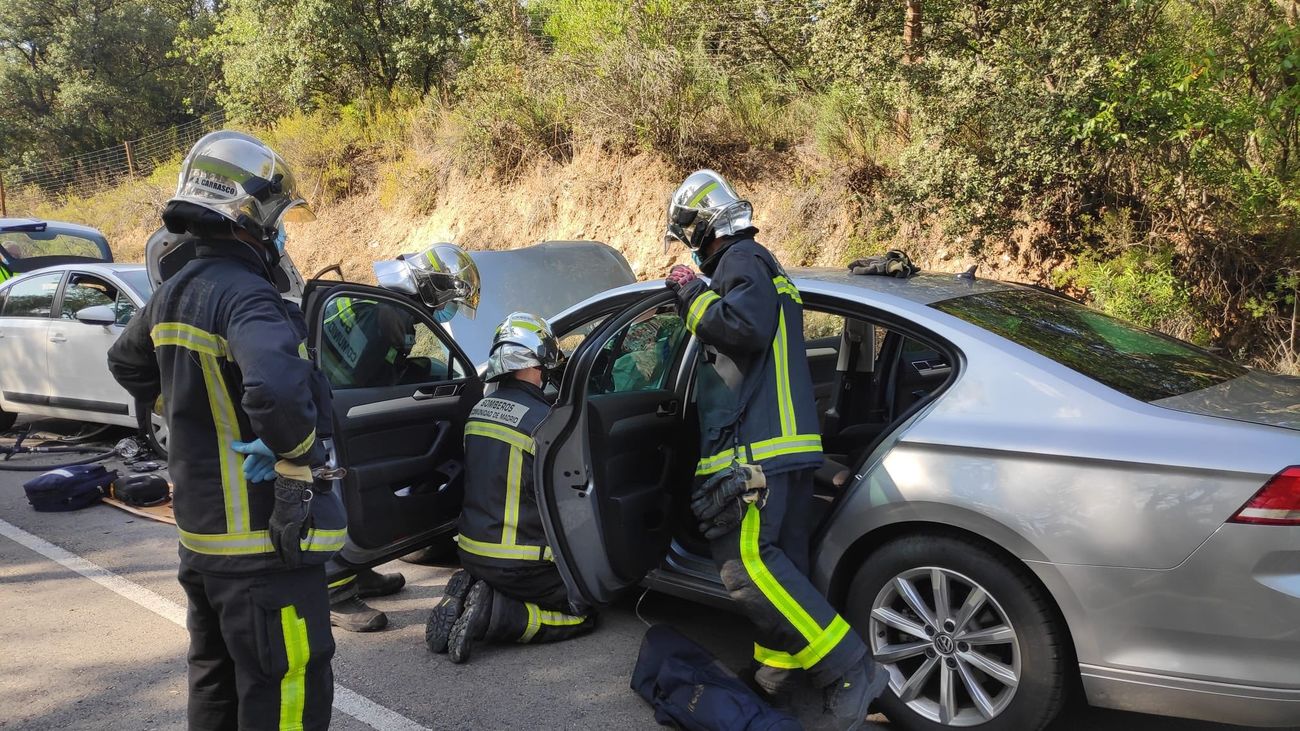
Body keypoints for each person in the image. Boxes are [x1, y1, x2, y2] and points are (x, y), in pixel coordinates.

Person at [108, 131, 343, 730]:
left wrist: (192, 410)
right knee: (287, 681)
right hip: (262, 547)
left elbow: (125, 362)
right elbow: (279, 391)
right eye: (276, 219)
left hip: (204, 544)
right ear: (253, 217)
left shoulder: (173, 293)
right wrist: (292, 451)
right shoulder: (249, 298)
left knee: (215, 680)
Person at [662, 170, 887, 729]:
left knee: (747, 569)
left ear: (701, 227)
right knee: (783, 573)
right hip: (783, 451)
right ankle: (774, 680)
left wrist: (689, 292)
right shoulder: (765, 265)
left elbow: (744, 328)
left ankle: (851, 668)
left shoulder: (738, 261)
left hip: (753, 454)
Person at [425, 312, 595, 663]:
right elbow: (567, 500)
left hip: (471, 551)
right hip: (518, 563)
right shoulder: (545, 422)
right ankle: (497, 614)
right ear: (539, 357)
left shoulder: (478, 411)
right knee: (583, 610)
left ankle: (476, 586)